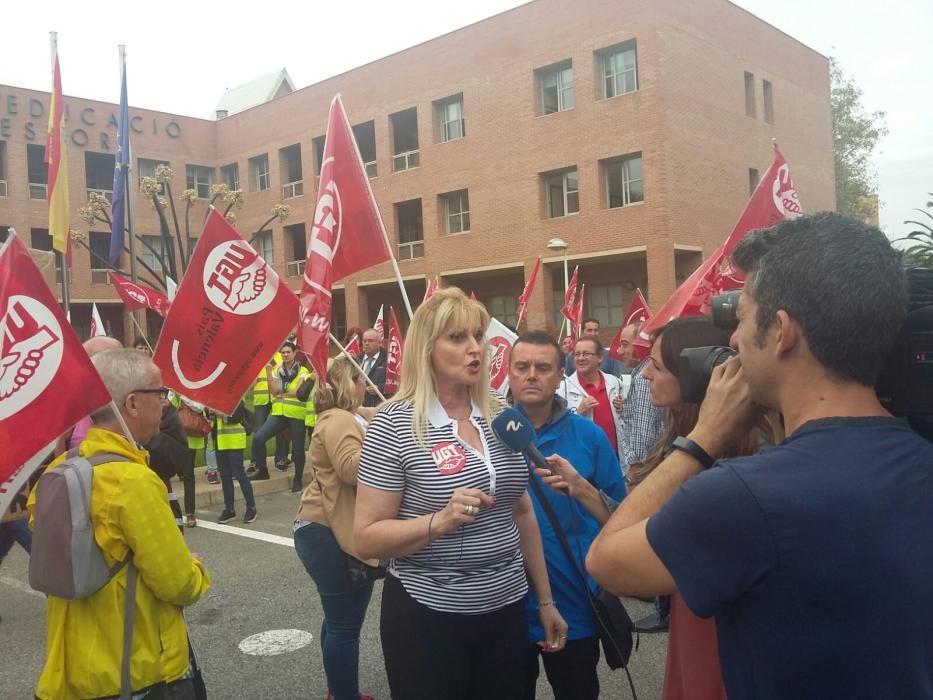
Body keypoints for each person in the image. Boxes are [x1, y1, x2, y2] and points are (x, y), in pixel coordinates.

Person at [586, 212, 933, 698]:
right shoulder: (919, 456)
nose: (731, 339)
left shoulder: (745, 496)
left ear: (781, 332)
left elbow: (606, 559)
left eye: (743, 318)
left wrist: (703, 438)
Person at [353, 287, 567, 700]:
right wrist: (439, 521)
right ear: (426, 349)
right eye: (457, 338)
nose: (475, 349)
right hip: (426, 615)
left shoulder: (503, 416)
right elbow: (366, 536)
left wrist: (545, 602)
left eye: (478, 336)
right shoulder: (393, 426)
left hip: (506, 609)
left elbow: (522, 512)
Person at [28, 349, 211, 699]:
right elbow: (178, 584)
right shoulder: (133, 483)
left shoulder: (58, 472)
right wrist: (197, 567)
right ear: (132, 404)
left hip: (69, 673)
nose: (166, 404)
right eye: (160, 394)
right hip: (134, 672)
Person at [509, 331, 627, 700]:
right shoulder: (484, 435)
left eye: (543, 367)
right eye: (522, 367)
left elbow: (622, 519)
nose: (531, 375)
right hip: (505, 606)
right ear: (509, 374)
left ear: (561, 374)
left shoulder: (589, 436)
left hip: (574, 603)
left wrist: (582, 489)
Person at [294, 357, 378, 700]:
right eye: (360, 379)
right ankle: (345, 695)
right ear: (348, 383)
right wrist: (387, 450)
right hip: (325, 529)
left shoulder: (352, 415)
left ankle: (338, 691)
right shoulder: (338, 419)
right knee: (345, 625)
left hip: (323, 528)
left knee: (338, 620)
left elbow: (386, 414)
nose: (366, 385)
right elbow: (351, 469)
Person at [250, 341, 311, 491]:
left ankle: (298, 479)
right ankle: (262, 469)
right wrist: (270, 374)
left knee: (297, 449)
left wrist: (281, 392)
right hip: (279, 413)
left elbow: (298, 392)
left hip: (296, 414)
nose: (284, 355)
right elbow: (273, 391)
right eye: (282, 352)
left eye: (288, 352)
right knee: (258, 437)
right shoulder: (277, 371)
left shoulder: (303, 371)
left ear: (294, 353)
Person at [559, 336, 626, 469]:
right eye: (577, 354)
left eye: (586, 354)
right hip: (585, 462)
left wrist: (623, 409)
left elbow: (625, 420)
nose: (581, 358)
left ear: (600, 358)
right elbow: (558, 429)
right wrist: (579, 412)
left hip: (615, 459)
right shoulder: (563, 389)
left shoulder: (615, 383)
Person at [214, 402, 258, 524]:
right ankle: (229, 510)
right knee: (225, 476)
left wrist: (219, 413)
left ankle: (251, 508)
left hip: (234, 440)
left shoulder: (235, 393)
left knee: (239, 474)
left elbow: (237, 416)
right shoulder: (214, 395)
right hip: (220, 441)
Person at [357, 327, 387, 407]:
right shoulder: (356, 360)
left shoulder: (388, 360)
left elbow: (396, 382)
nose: (366, 343)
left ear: (379, 342)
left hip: (379, 406)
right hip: (360, 408)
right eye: (364, 341)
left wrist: (380, 388)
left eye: (370, 341)